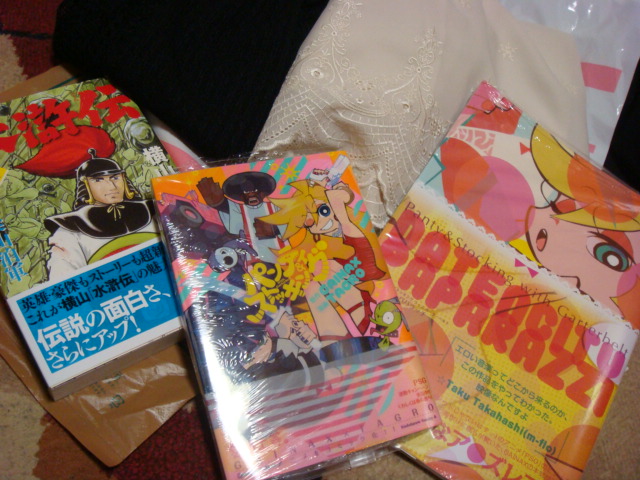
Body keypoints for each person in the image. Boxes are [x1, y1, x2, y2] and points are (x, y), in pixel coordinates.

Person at [44, 152, 157, 280]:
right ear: (85, 185)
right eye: (98, 180)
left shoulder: (153, 209)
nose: (112, 186)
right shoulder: (69, 230)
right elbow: (64, 279)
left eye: (115, 178)